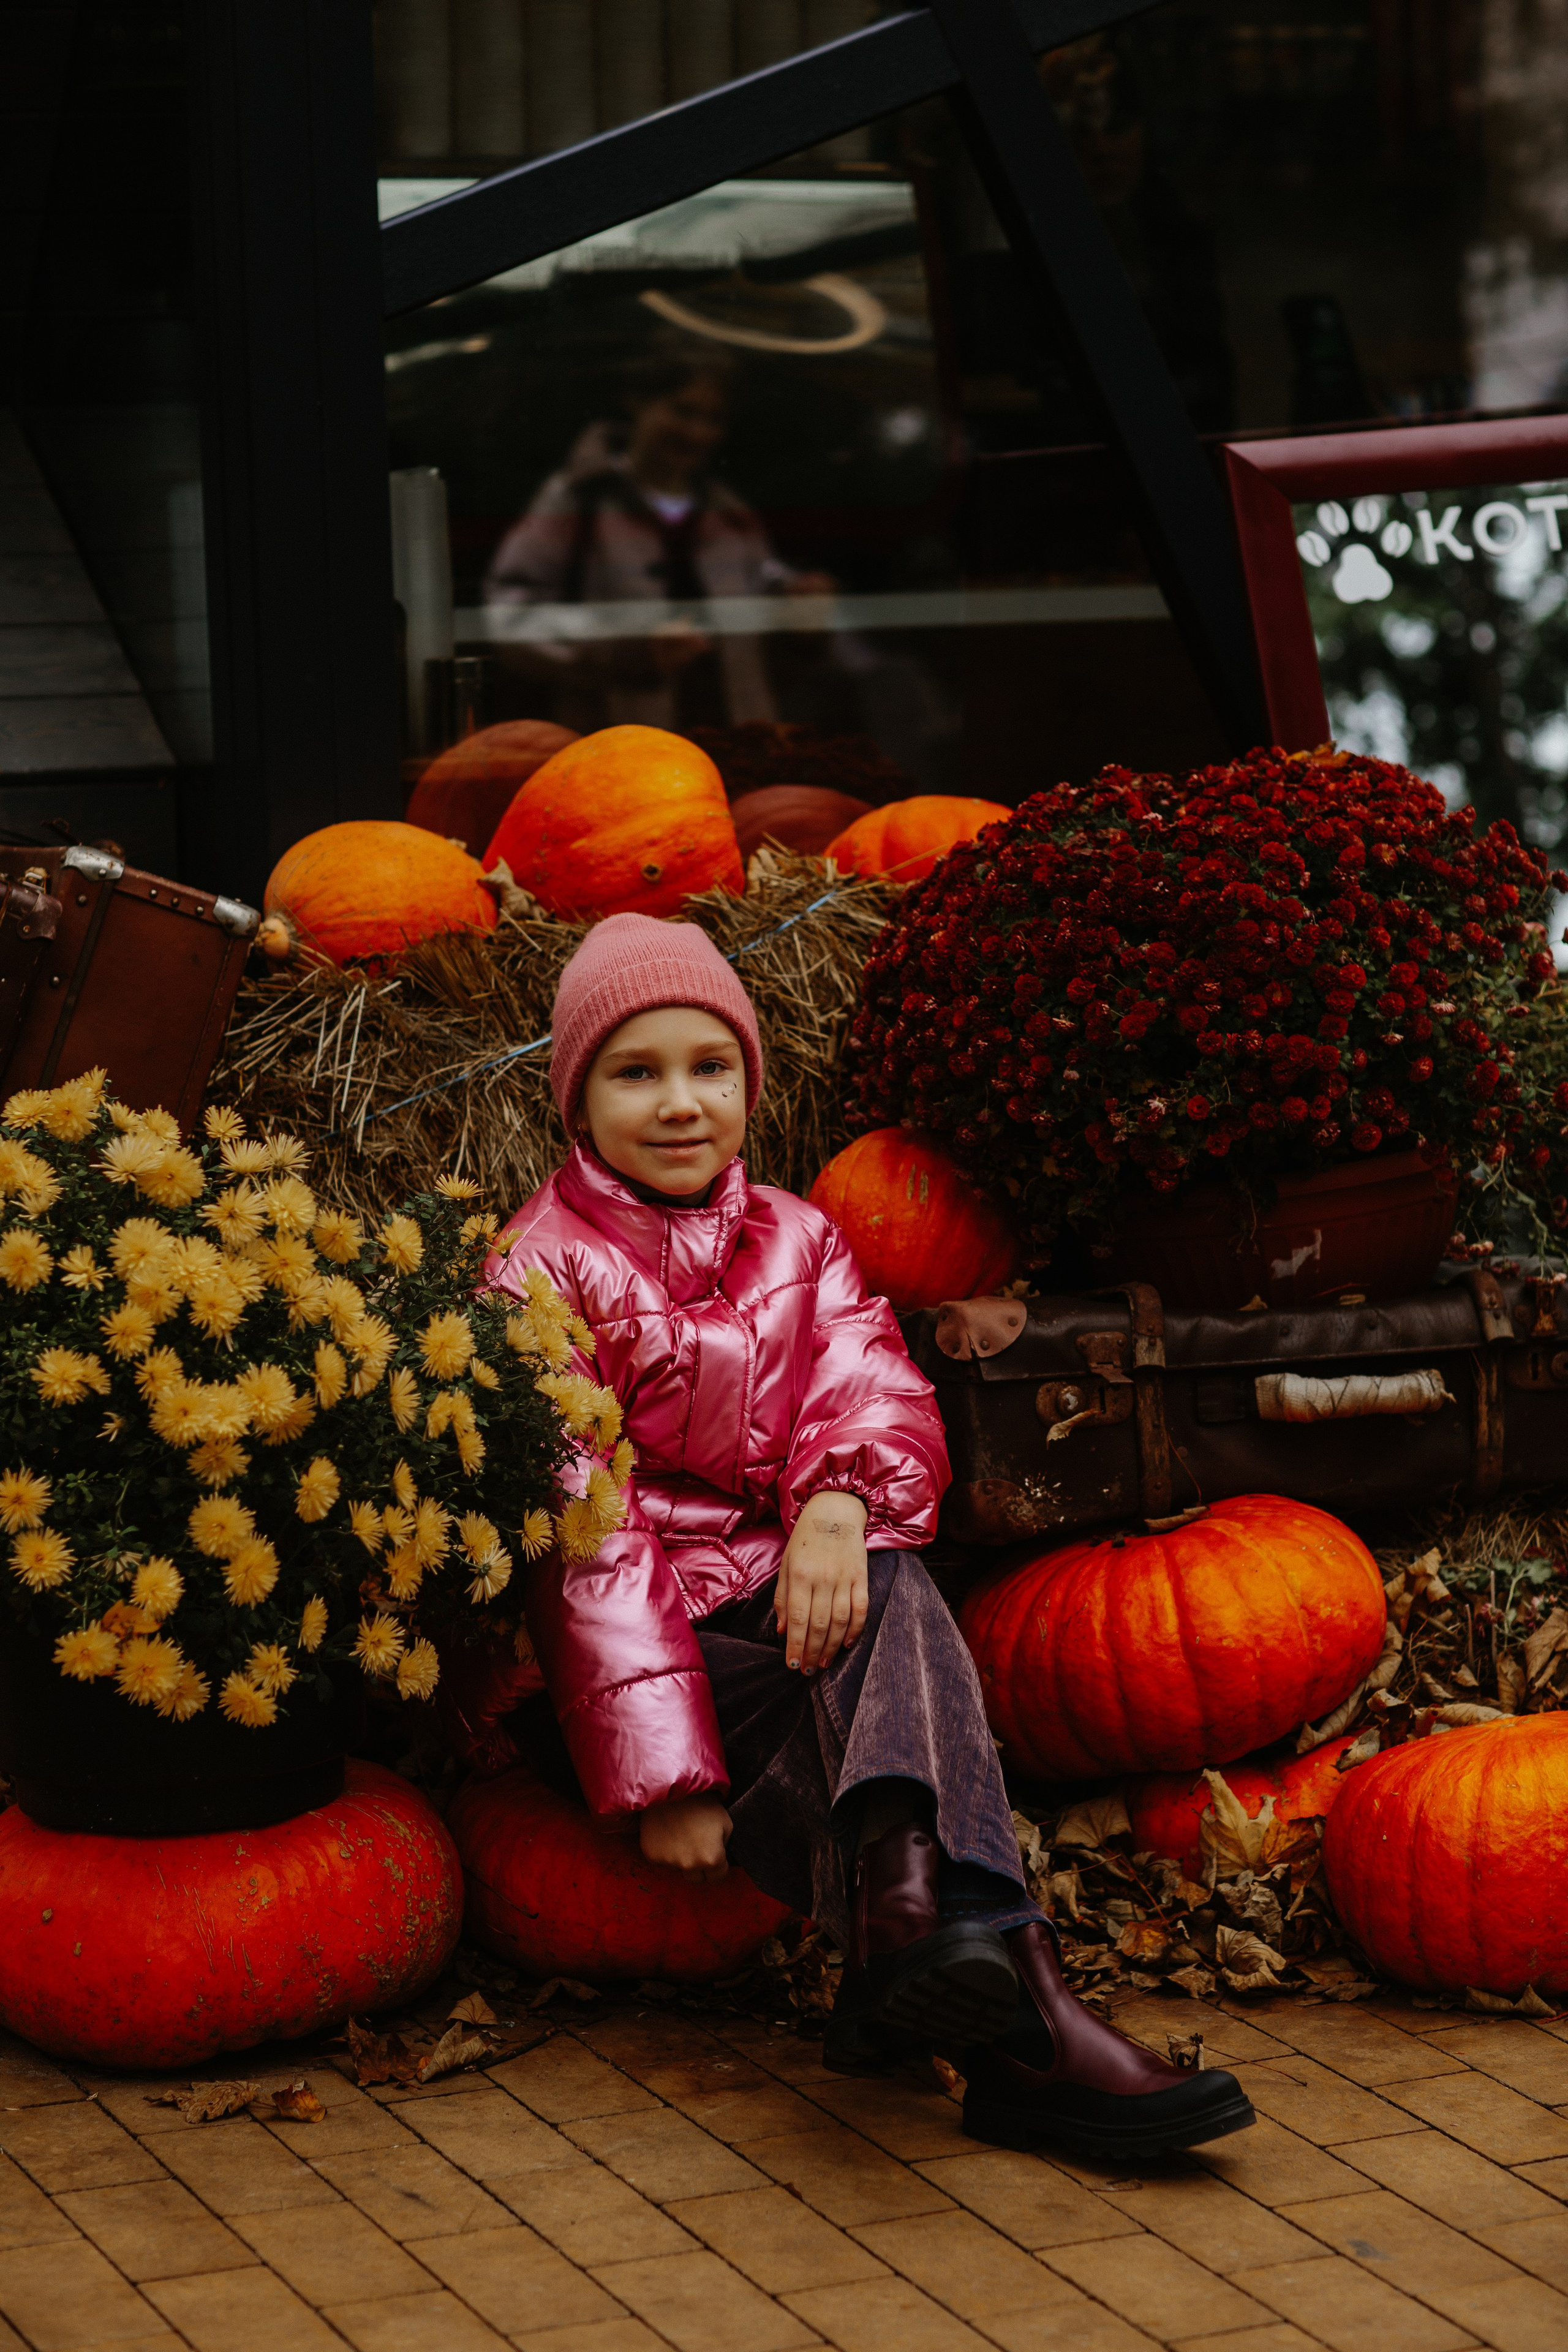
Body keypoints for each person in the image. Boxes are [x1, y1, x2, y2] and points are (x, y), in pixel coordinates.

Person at [465, 913, 1254, 2158]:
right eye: (636, 1072)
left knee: (885, 1582)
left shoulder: (801, 1235)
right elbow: (585, 1540)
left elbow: (873, 1392)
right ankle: (1009, 2006)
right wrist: (665, 1778)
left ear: (749, 1082)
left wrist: (836, 1501)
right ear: (575, 1101)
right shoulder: (535, 1273)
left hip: (802, 1599)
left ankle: (912, 1924)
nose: (680, 1103)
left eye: (708, 1067)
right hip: (648, 1664)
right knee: (881, 1649)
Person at [485, 342, 831, 734]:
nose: (697, 432)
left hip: (735, 746)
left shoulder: (727, 510)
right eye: (683, 411)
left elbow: (763, 597)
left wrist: (797, 606)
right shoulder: (578, 498)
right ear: (638, 402)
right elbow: (511, 615)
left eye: (713, 419)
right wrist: (626, 653)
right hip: (621, 751)